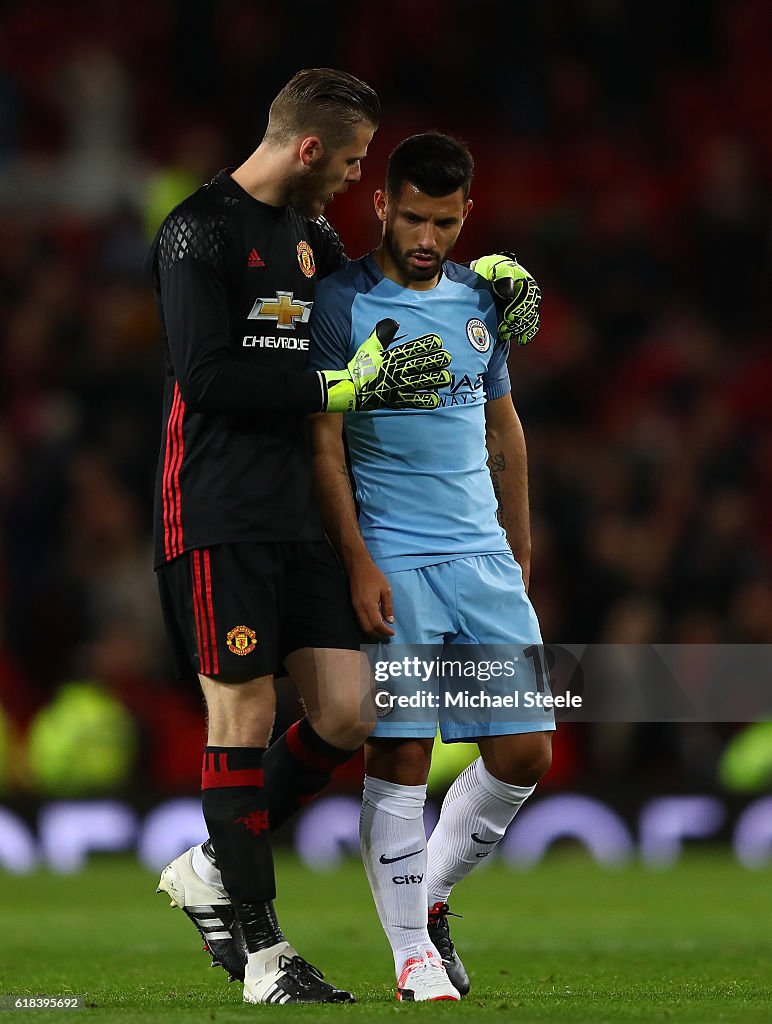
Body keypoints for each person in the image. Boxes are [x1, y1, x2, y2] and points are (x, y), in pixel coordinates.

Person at [147, 70, 453, 1006]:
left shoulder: (316, 239)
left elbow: (368, 324)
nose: (359, 182)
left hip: (301, 512)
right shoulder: (198, 231)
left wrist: (479, 290)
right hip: (219, 509)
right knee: (239, 716)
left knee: (346, 715)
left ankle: (209, 864)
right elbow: (208, 376)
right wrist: (332, 388)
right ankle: (265, 955)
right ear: (310, 148)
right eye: (355, 160)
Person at [308, 132, 554, 1001]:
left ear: (465, 218)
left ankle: (432, 895)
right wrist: (359, 560)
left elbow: (504, 426)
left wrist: (517, 544)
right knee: (403, 753)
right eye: (412, 216)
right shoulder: (339, 301)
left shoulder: (484, 300)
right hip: (398, 558)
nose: (425, 237)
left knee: (526, 753)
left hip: (481, 555)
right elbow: (325, 444)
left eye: (443, 222)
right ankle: (412, 957)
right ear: (380, 204)